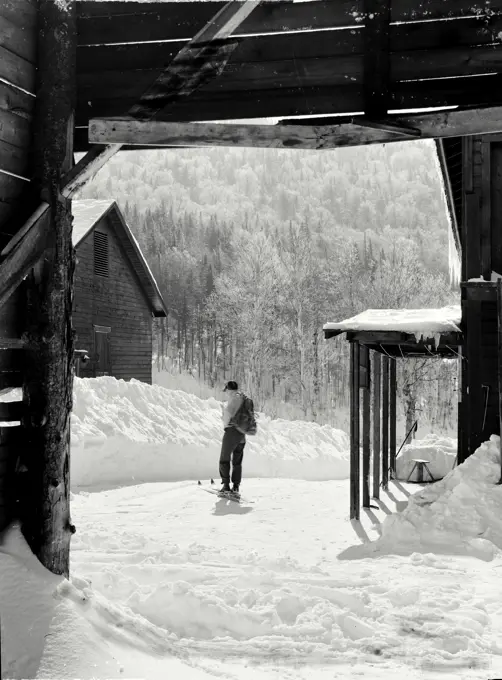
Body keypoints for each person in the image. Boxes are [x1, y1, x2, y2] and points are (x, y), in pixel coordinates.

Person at [219, 380, 246, 495]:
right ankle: (236, 486)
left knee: (224, 459)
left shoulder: (233, 400)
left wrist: (223, 413)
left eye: (226, 390)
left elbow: (226, 419)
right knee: (237, 461)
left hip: (231, 432)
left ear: (229, 390)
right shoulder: (244, 399)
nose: (226, 393)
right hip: (242, 434)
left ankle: (226, 486)